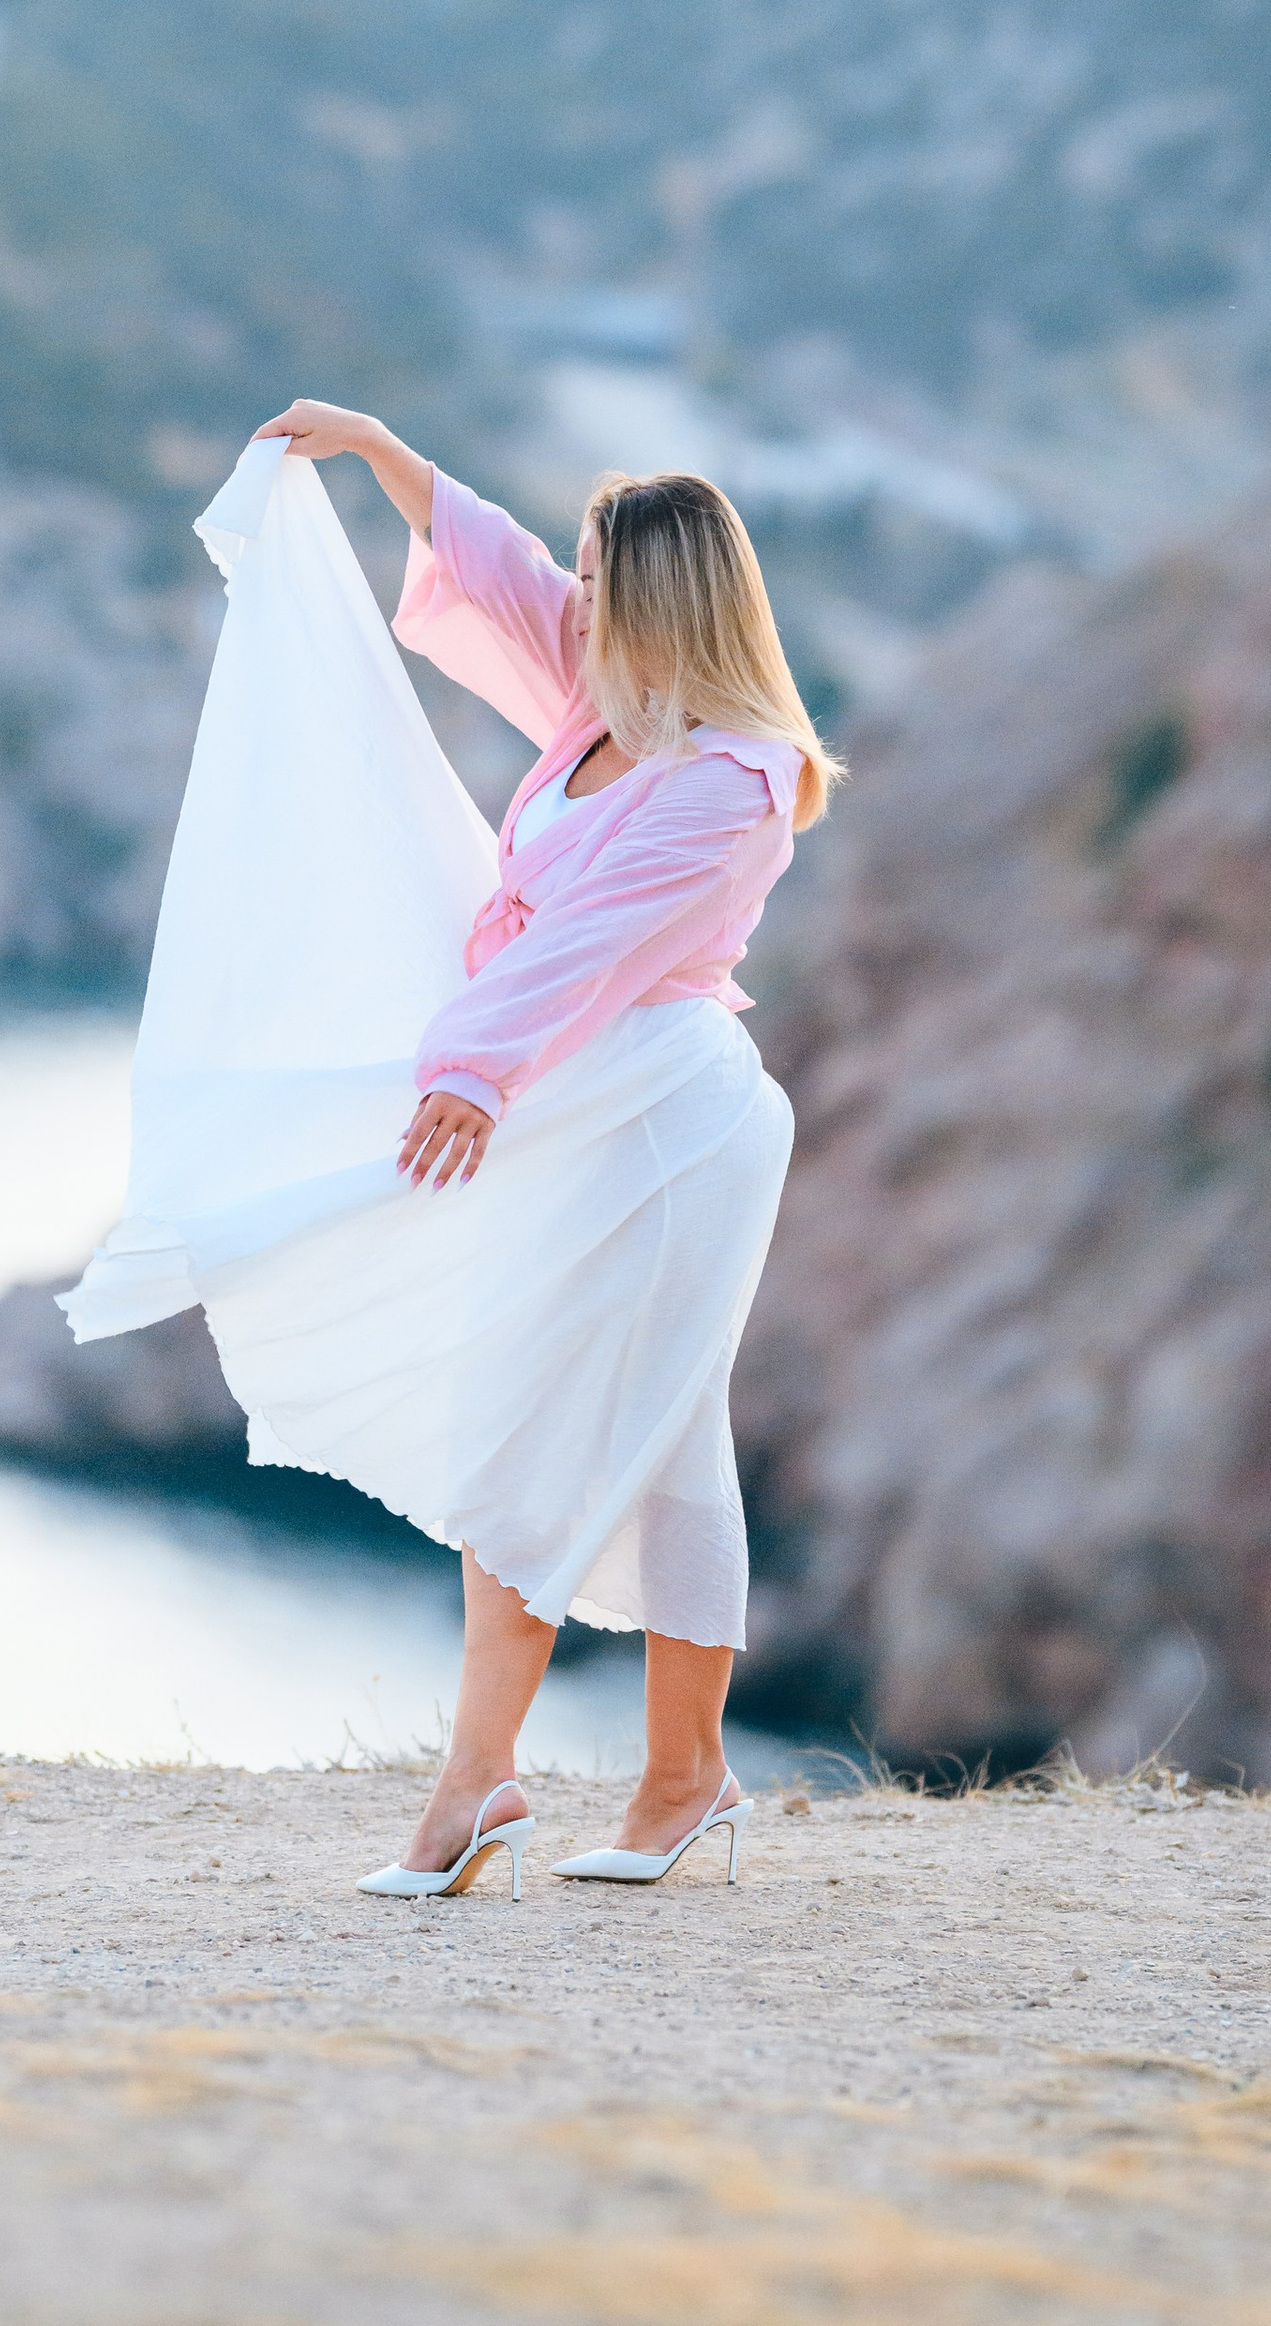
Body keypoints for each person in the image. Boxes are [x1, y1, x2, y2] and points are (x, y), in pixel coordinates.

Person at [249, 397, 837, 1899]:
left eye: (601, 573)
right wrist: (392, 464)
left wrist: (473, 1068)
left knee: (531, 1427)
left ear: (657, 601)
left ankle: (475, 1785)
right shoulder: (608, 708)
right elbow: (506, 582)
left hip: (666, 1121)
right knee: (668, 1449)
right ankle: (677, 1780)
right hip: (592, 1110)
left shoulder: (733, 776)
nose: (574, 596)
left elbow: (590, 936)